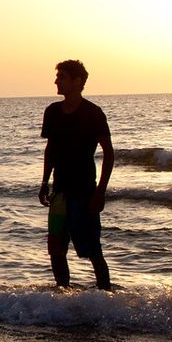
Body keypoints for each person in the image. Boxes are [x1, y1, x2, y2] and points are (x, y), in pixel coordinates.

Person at [38, 59, 115, 290]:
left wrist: (100, 192)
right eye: (58, 76)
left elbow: (109, 154)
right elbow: (50, 149)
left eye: (62, 77)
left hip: (84, 193)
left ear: (77, 81)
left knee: (92, 251)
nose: (56, 81)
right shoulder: (52, 112)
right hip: (60, 192)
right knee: (56, 250)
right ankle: (64, 297)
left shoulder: (93, 113)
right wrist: (45, 182)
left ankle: (105, 300)